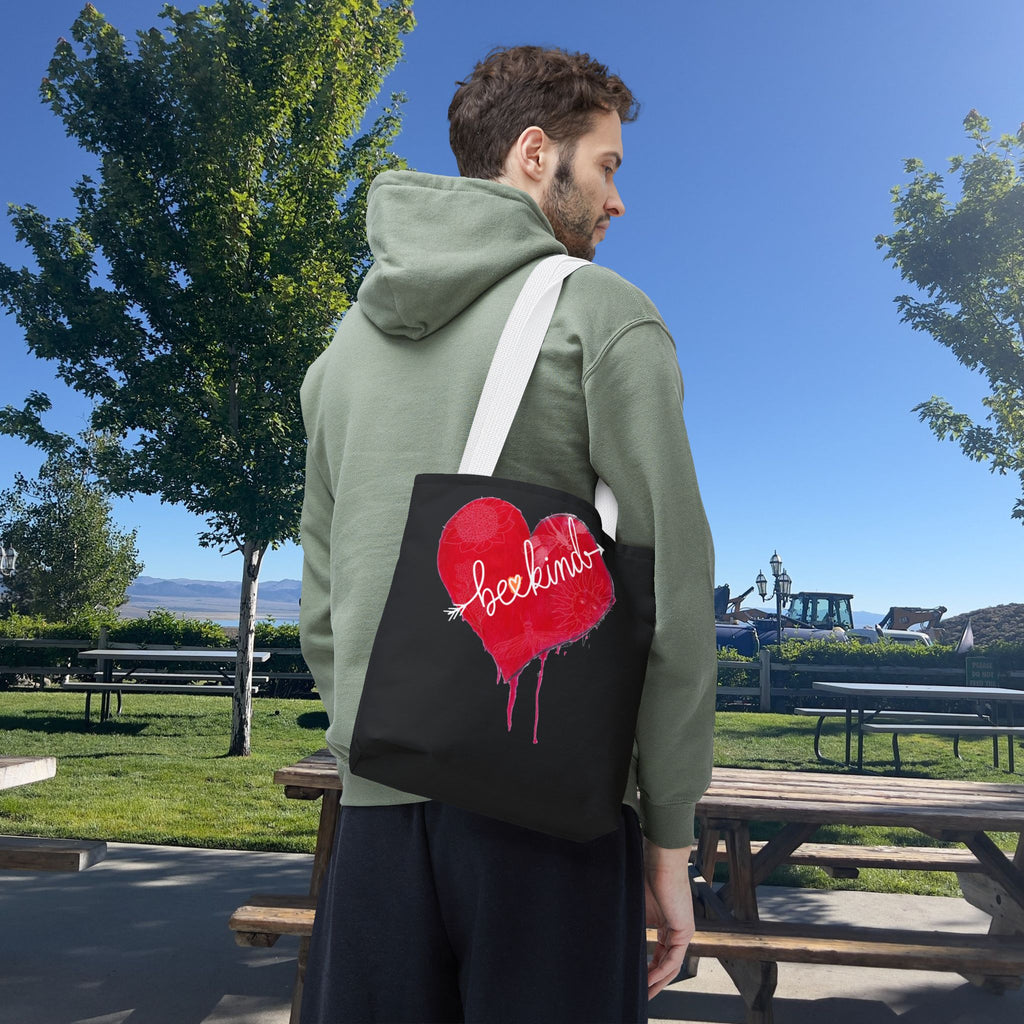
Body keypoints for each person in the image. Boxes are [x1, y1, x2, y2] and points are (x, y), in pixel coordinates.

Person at [298, 45, 716, 1024]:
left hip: (372, 818)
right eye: (607, 165)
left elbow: (323, 607)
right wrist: (668, 838)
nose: (618, 201)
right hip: (549, 819)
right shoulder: (601, 316)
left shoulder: (341, 355)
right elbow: (674, 599)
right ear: (536, 154)